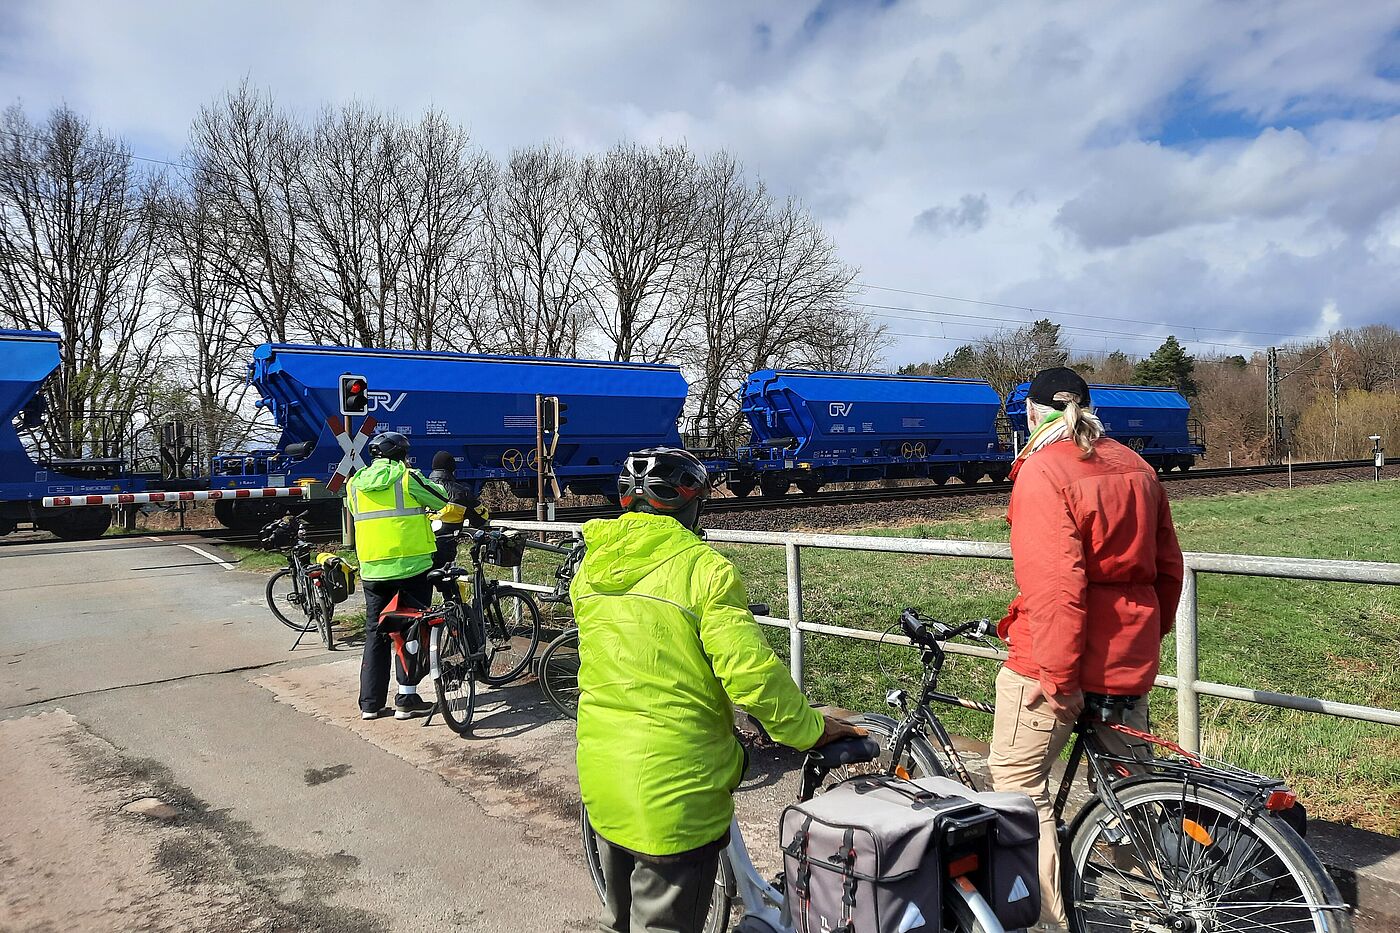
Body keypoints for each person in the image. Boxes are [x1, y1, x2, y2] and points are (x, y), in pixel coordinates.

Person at [571, 447, 863, 933]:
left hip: (602, 775)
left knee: (617, 920)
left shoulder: (591, 568)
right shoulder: (704, 569)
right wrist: (811, 730)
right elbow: (751, 675)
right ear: (692, 505)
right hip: (675, 790)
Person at [989, 367, 1185, 930]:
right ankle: (1163, 903)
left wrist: (1058, 676)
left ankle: (1050, 922)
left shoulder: (1043, 472)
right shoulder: (1139, 467)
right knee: (1134, 792)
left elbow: (1055, 589)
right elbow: (1170, 570)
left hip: (1053, 660)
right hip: (1126, 660)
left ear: (1029, 413)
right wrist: (1145, 636)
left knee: (1021, 792)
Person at [346, 431, 455, 722]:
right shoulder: (407, 477)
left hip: (372, 569)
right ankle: (406, 698)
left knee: (375, 633)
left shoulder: (355, 484)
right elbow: (442, 497)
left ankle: (370, 704)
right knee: (411, 628)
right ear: (402, 455)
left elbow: (357, 513)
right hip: (411, 567)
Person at [427, 450, 490, 570]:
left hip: (420, 548)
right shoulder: (462, 492)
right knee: (448, 585)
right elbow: (481, 518)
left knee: (423, 586)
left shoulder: (422, 488)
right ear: (452, 469)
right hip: (445, 550)